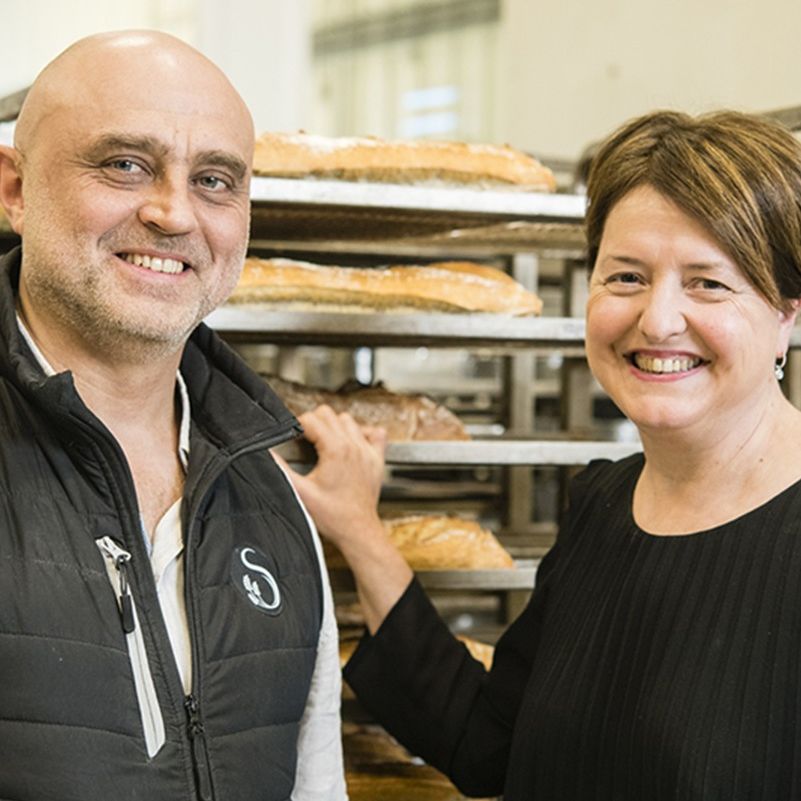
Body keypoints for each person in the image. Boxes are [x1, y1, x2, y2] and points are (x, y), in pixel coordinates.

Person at [285, 109, 801, 800]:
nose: (657, 320)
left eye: (708, 282)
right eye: (625, 277)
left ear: (786, 313)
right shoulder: (603, 505)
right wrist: (360, 532)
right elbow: (487, 745)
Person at [0, 31, 345, 801]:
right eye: (125, 164)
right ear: (15, 189)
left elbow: (315, 786)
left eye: (215, 180)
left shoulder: (269, 496)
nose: (174, 213)